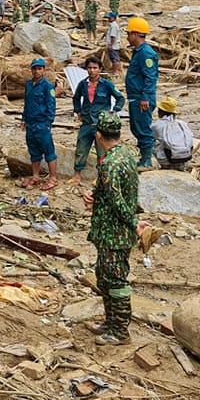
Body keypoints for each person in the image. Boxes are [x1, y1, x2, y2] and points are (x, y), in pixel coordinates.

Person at [83, 112, 140, 345]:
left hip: (113, 233)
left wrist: (135, 224)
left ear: (98, 135)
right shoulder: (126, 155)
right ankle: (110, 321)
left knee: (115, 280)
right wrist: (94, 193)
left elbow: (118, 201)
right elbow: (112, 190)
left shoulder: (109, 163)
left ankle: (120, 331)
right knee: (104, 277)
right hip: (113, 232)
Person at [72, 56, 123, 180]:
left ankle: (101, 176)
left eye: (95, 68)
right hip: (86, 122)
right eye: (89, 68)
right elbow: (76, 98)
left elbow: (120, 98)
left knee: (102, 151)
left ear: (100, 69)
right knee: (81, 148)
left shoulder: (107, 84)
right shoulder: (83, 84)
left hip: (101, 124)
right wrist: (78, 111)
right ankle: (77, 175)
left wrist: (114, 111)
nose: (92, 71)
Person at [124, 16, 159, 169]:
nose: (127, 37)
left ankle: (147, 160)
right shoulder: (138, 52)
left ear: (136, 34)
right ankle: (144, 157)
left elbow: (150, 77)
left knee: (143, 128)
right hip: (136, 97)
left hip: (141, 98)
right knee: (136, 127)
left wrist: (145, 97)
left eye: (129, 33)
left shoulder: (146, 53)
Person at [22, 58, 58, 190]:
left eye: (40, 68)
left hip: (42, 123)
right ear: (31, 70)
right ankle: (35, 176)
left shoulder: (48, 86)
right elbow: (27, 103)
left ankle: (53, 178)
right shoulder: (28, 85)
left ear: (43, 70)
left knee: (49, 151)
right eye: (35, 68)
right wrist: (24, 119)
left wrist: (48, 123)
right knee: (34, 151)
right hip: (30, 124)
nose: (37, 71)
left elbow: (51, 105)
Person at [154, 97, 195, 170]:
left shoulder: (157, 125)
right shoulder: (182, 123)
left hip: (168, 160)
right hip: (185, 158)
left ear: (161, 112)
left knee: (149, 143)